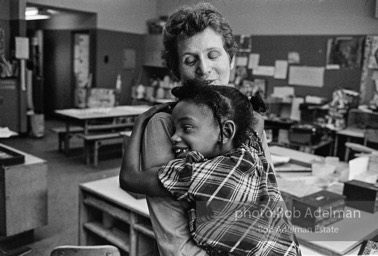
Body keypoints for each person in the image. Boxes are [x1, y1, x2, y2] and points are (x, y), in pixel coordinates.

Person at [122, 3, 274, 255]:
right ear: (177, 70)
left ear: (231, 59)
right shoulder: (165, 126)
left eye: (213, 55)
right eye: (190, 60)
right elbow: (176, 245)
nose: (204, 69)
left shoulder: (249, 119)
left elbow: (268, 199)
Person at [119, 79, 300, 255]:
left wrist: (140, 123)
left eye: (187, 128)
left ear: (227, 131)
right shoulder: (251, 151)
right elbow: (257, 121)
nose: (174, 137)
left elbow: (129, 179)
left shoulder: (197, 174)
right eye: (174, 129)